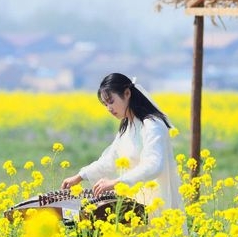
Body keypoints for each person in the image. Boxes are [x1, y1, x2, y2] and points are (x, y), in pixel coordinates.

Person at [61, 72, 182, 213]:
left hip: (155, 205)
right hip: (132, 204)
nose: (109, 109)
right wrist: (80, 176)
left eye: (111, 101)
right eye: (105, 104)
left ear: (127, 93)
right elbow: (110, 160)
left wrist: (116, 183)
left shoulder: (152, 125)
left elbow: (154, 165)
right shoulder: (127, 126)